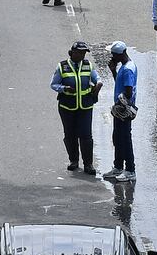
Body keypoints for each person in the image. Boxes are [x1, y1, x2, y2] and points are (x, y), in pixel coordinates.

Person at [50, 41, 101, 175]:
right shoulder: (62, 67)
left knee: (86, 136)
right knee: (70, 135)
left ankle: (88, 164)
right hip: (67, 107)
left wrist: (98, 84)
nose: (82, 55)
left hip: (85, 106)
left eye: (84, 53)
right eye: (80, 52)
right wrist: (64, 88)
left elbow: (97, 78)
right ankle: (74, 161)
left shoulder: (88, 65)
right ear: (72, 52)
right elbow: (53, 84)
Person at [103, 41, 138, 183]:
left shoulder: (128, 69)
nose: (112, 57)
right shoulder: (124, 66)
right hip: (120, 110)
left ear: (120, 54)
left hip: (124, 110)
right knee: (117, 137)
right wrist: (113, 71)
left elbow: (128, 92)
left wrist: (120, 103)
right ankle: (118, 166)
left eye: (113, 55)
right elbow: (121, 83)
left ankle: (130, 169)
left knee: (125, 139)